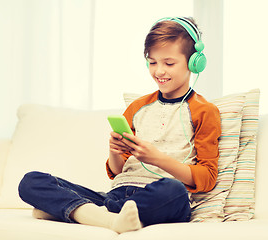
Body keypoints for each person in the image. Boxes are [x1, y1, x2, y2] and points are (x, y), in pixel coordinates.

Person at [18, 17, 221, 234]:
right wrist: (115, 150)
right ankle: (110, 217)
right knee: (31, 182)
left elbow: (207, 178)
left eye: (169, 63)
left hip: (159, 196)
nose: (159, 71)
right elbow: (117, 171)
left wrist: (156, 159)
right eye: (152, 62)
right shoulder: (138, 107)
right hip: (117, 194)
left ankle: (80, 212)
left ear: (194, 62)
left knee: (174, 191)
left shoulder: (204, 110)